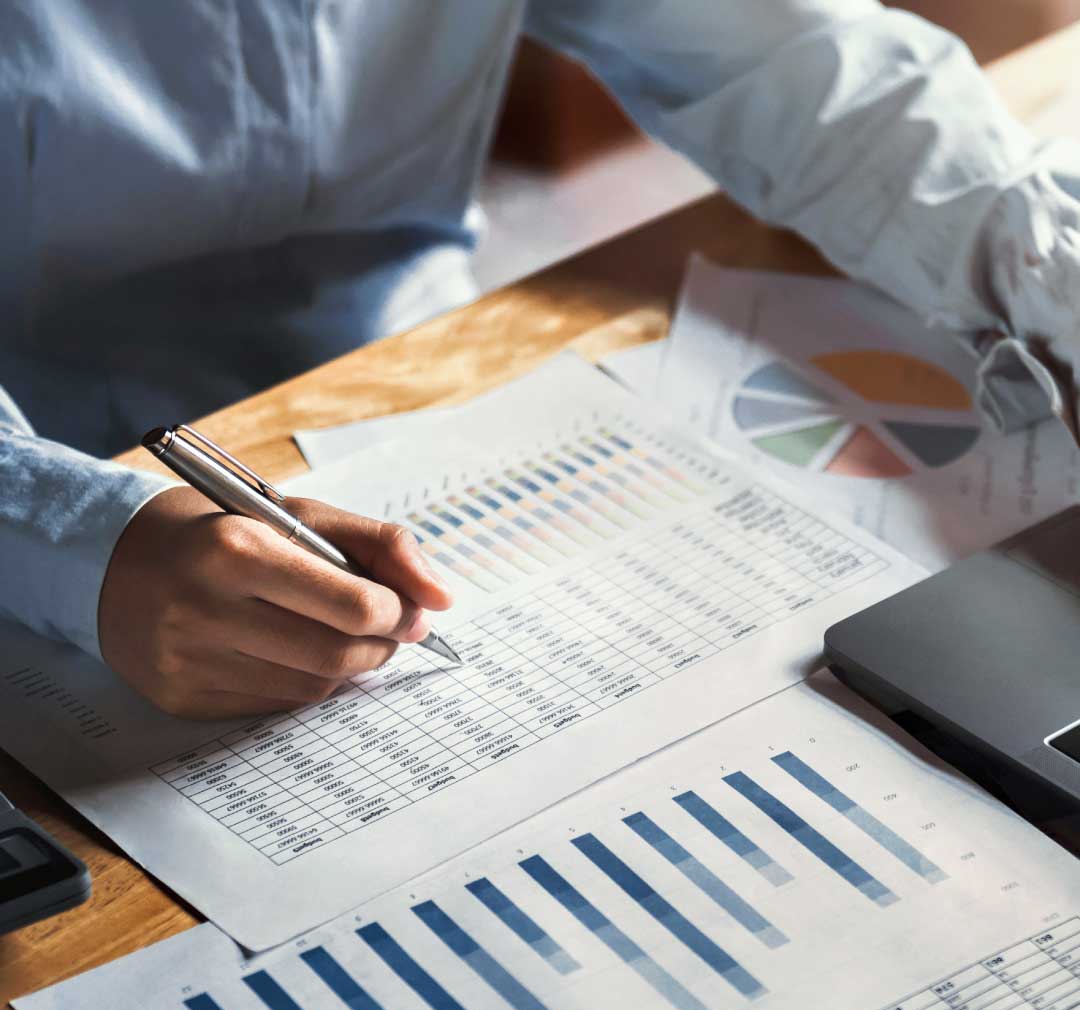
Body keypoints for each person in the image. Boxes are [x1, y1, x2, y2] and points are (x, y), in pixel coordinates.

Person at [3, 1, 1079, 717]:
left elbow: (792, 61)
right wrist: (66, 533)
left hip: (417, 379)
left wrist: (1055, 283)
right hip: (48, 456)